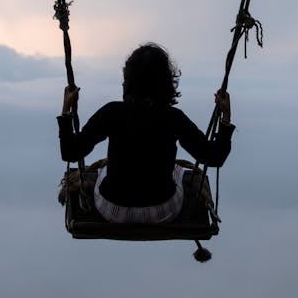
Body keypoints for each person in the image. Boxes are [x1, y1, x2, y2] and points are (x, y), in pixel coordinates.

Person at [57, 43, 234, 224]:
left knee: (102, 172)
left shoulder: (112, 112)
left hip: (112, 210)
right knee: (177, 171)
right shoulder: (173, 118)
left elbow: (70, 152)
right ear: (165, 82)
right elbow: (214, 157)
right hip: (162, 211)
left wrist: (66, 111)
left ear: (128, 80)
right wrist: (225, 119)